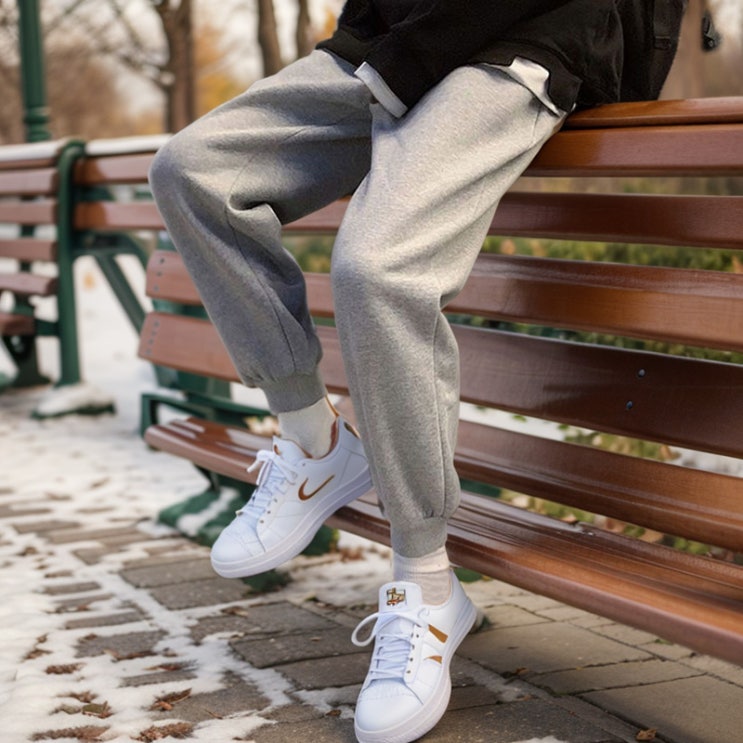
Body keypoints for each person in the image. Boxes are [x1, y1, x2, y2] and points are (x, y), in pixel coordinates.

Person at [149, 2, 686, 741]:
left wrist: (406, 62)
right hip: (396, 33)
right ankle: (313, 441)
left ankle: (428, 585)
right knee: (192, 171)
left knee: (378, 269)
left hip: (524, 35)